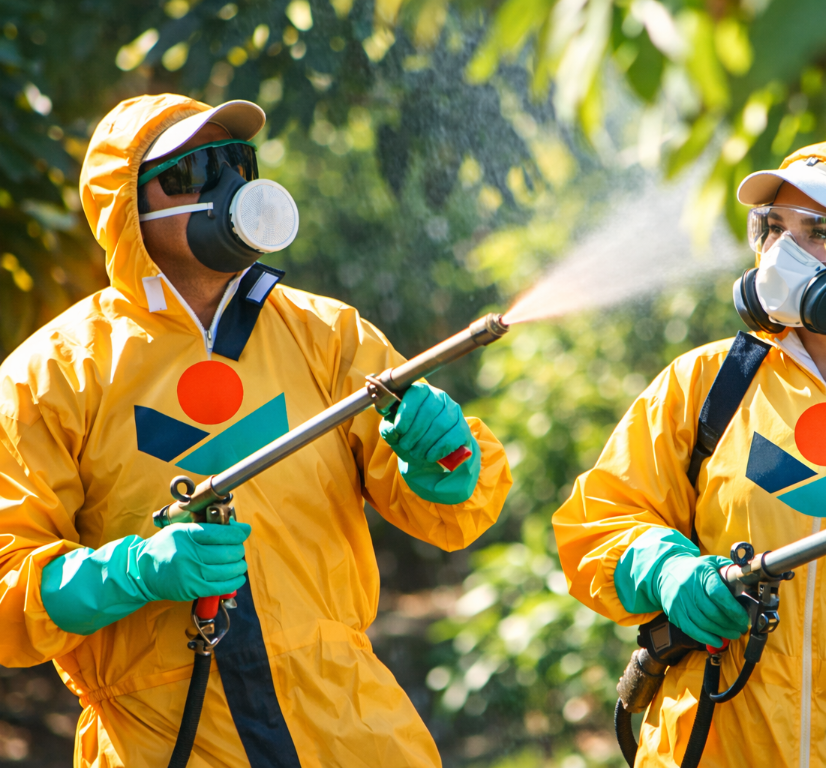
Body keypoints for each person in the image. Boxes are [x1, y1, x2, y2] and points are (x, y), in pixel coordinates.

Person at [0, 93, 512, 767]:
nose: (230, 187)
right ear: (127, 209)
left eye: (236, 162)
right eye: (193, 173)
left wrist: (443, 462)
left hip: (350, 731)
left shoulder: (329, 336)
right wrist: (132, 572)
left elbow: (455, 512)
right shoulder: (55, 373)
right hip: (163, 741)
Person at [553, 141, 826, 767]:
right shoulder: (707, 384)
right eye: (773, 227)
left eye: (821, 232)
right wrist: (665, 569)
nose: (784, 252)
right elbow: (598, 520)